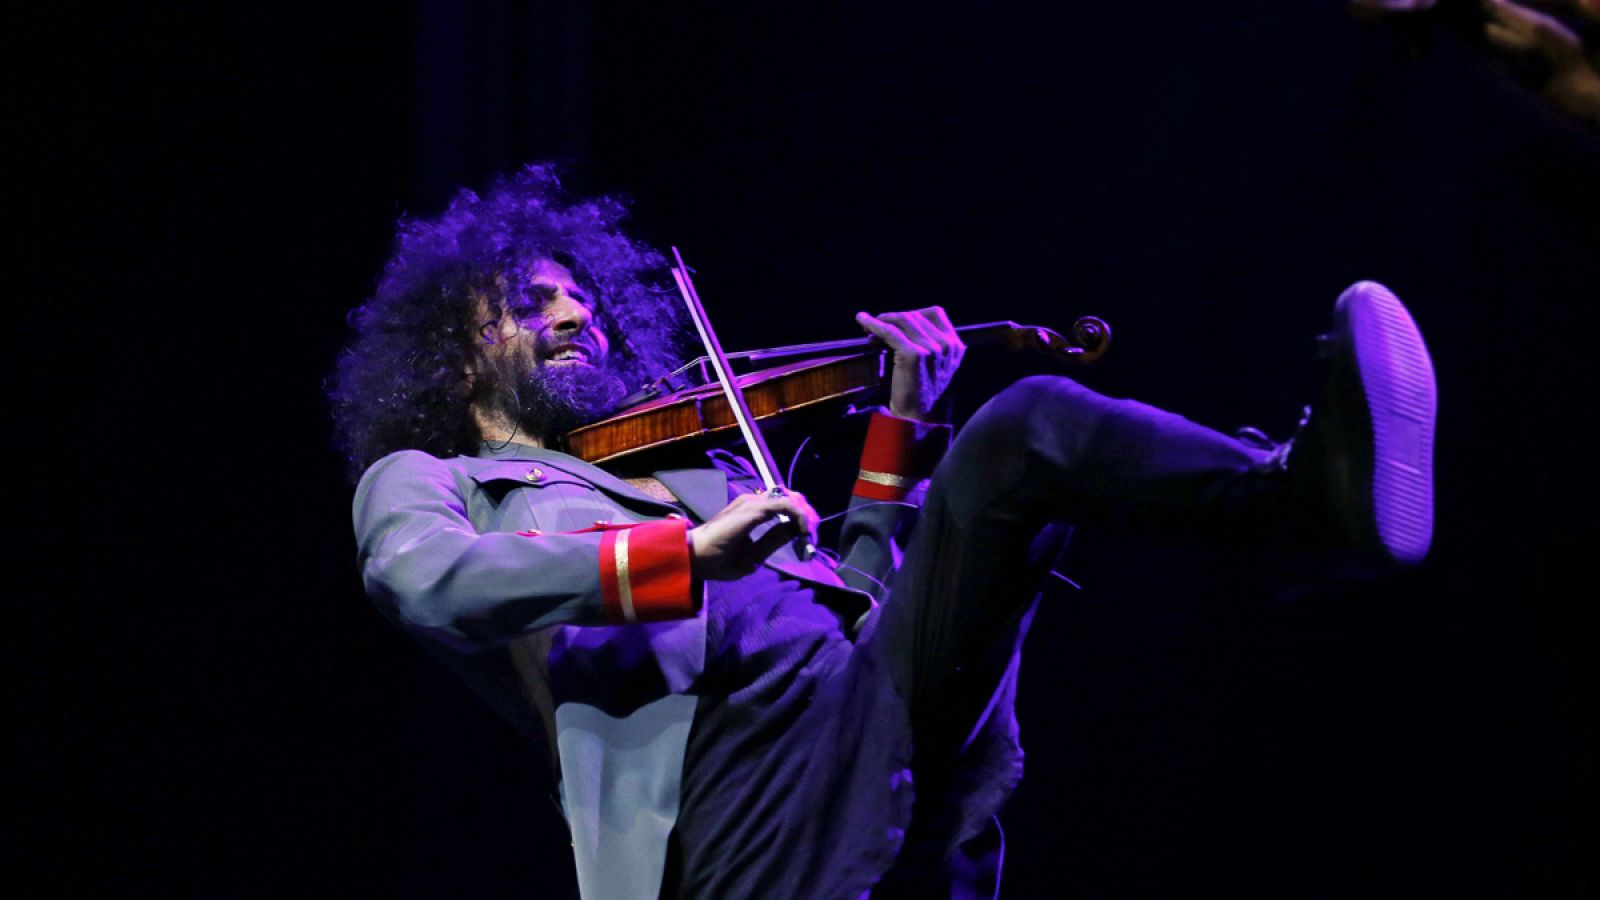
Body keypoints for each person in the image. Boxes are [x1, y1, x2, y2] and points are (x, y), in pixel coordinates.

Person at [330, 165, 1437, 898]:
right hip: (742, 804)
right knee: (1024, 434)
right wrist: (684, 556)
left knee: (1026, 427)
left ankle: (1306, 500)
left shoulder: (696, 468)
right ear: (458, 356)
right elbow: (424, 581)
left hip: (868, 718)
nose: (575, 315)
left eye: (584, 299)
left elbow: (855, 604)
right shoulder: (439, 480)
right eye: (529, 304)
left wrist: (897, 431)